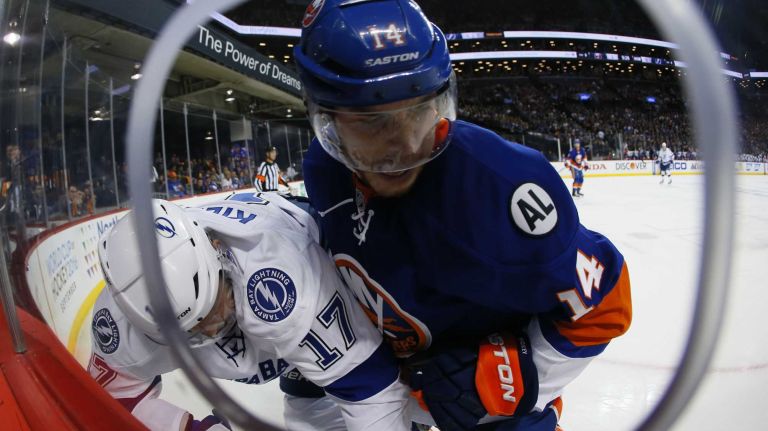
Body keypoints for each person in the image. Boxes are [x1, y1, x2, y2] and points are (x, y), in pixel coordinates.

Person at [294, 1, 632, 430]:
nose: (405, 143)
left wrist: (510, 381)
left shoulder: (502, 187)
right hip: (385, 392)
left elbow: (606, 301)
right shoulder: (324, 170)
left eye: (418, 111)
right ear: (328, 120)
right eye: (372, 121)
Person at [89, 195, 411, 431]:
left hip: (325, 266)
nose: (214, 330)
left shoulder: (283, 283)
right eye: (194, 332)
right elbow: (116, 399)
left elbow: (373, 394)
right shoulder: (121, 329)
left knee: (416, 382)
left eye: (213, 309)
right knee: (312, 417)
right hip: (292, 322)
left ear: (217, 249)